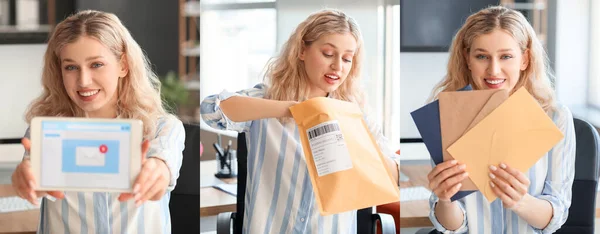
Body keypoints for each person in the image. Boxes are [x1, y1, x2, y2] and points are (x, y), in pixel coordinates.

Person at [201, 9, 400, 233]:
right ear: (302, 51)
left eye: (347, 58)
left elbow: (393, 177)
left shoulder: (356, 115)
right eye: (327, 53)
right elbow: (211, 111)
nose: (338, 66)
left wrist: (360, 143)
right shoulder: (266, 101)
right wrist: (293, 109)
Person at [10, 10, 185, 233]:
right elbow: (30, 170)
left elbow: (163, 164)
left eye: (96, 65)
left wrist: (157, 171)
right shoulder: (46, 130)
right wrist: (25, 178)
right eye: (71, 67)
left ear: (123, 65)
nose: (83, 81)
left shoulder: (163, 129)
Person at [426, 6, 576, 233]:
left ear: (525, 59)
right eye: (481, 56)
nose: (493, 70)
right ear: (467, 58)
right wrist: (445, 200)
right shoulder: (447, 116)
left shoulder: (554, 116)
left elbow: (556, 216)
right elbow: (454, 226)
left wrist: (520, 201)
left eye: (506, 56)